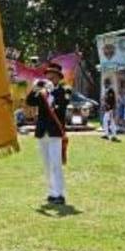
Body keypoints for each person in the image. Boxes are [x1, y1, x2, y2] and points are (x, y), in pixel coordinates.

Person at [25, 62, 70, 204]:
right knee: (46, 164)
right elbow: (30, 101)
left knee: (56, 163)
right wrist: (35, 88)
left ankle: (60, 194)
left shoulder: (63, 91)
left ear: (58, 78)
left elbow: (61, 108)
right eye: (47, 76)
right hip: (42, 132)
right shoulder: (42, 92)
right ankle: (51, 192)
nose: (49, 79)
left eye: (52, 76)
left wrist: (51, 95)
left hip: (55, 131)